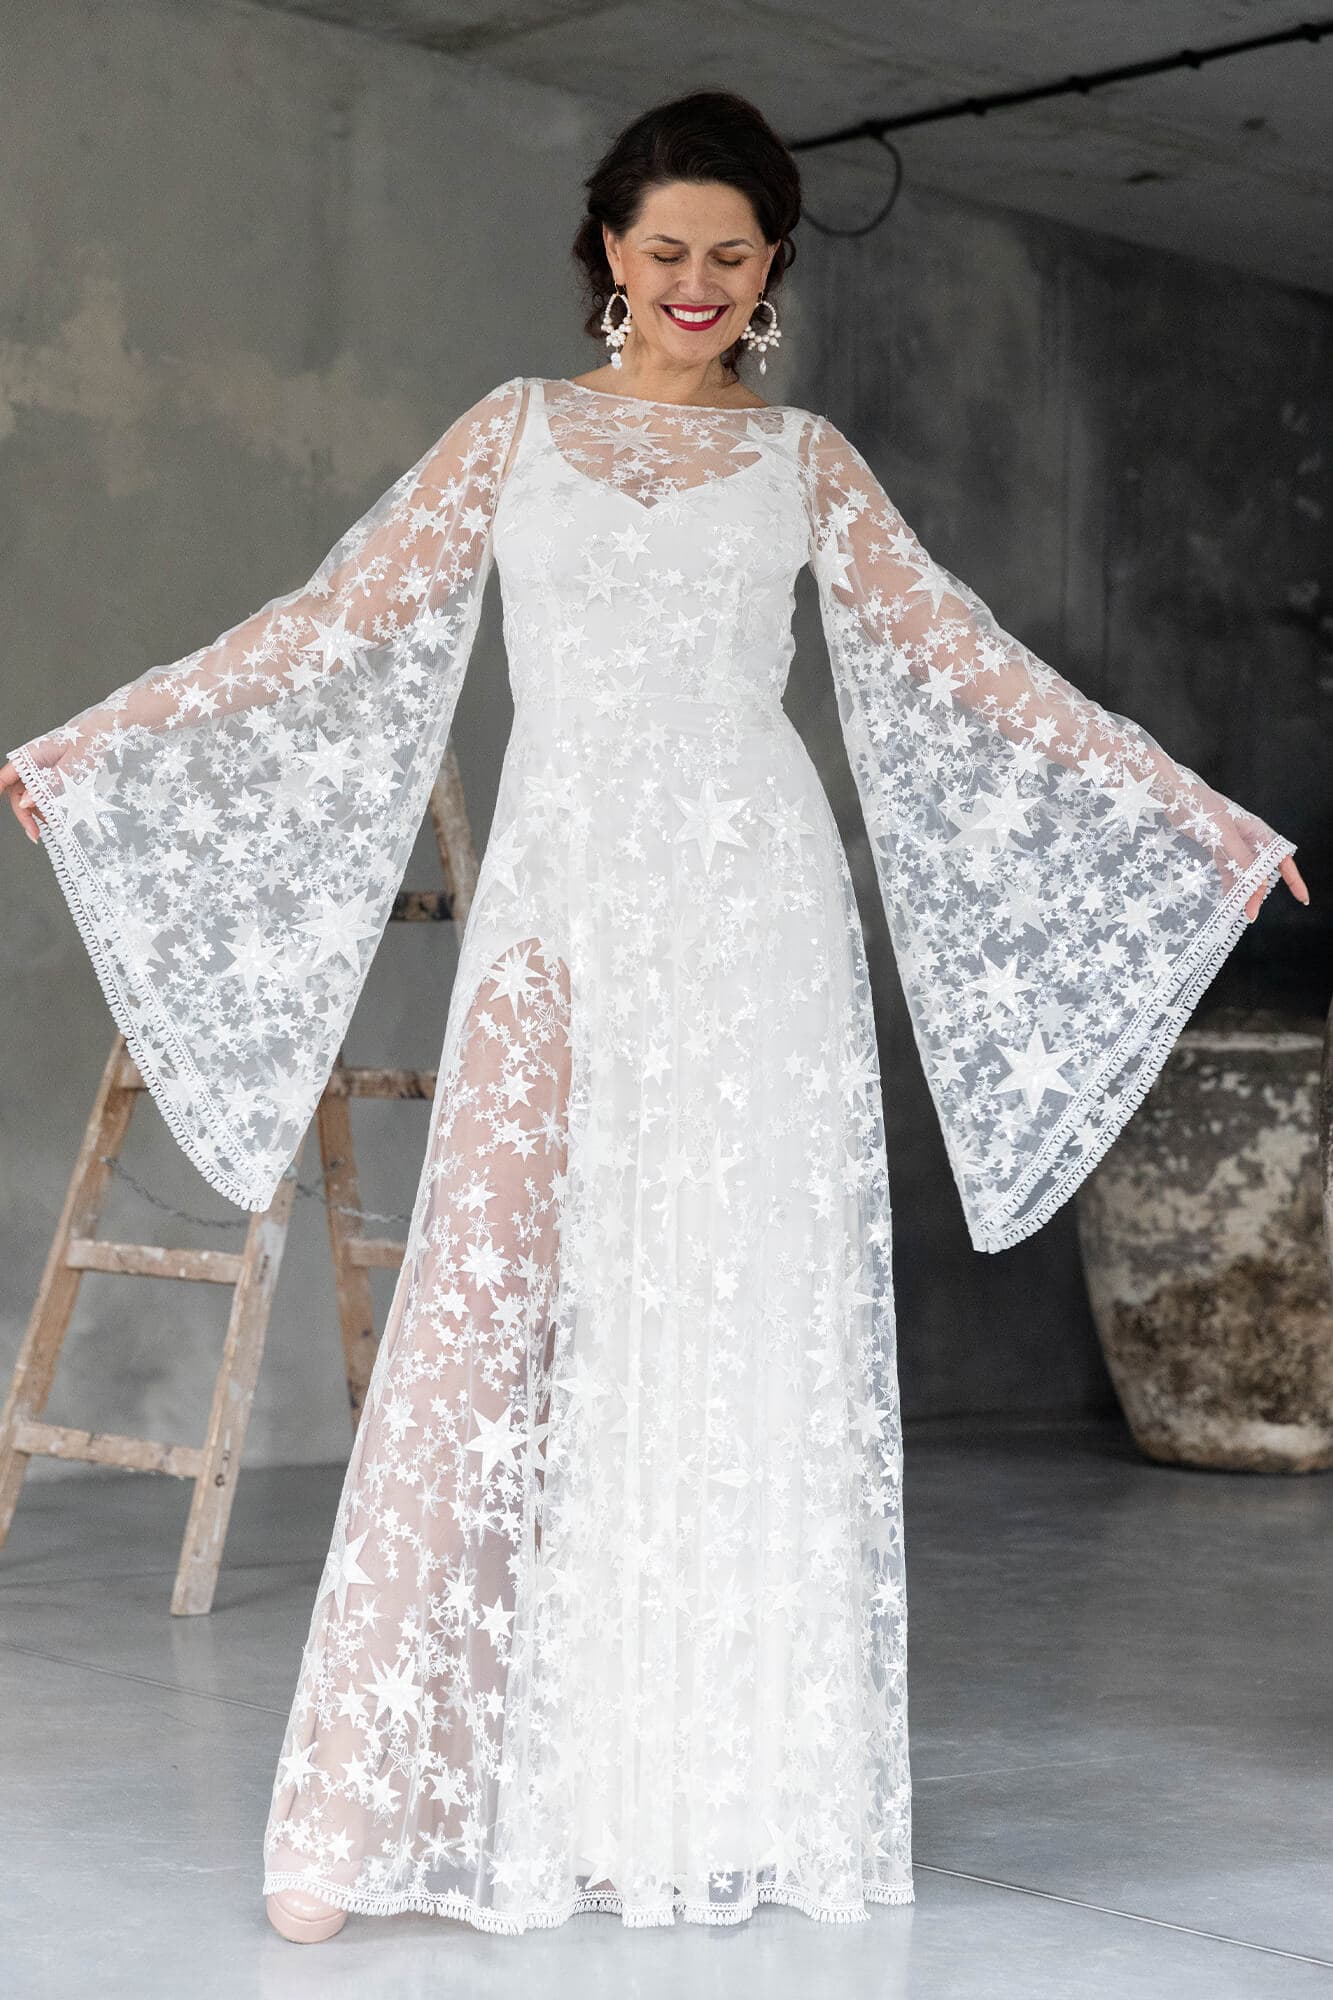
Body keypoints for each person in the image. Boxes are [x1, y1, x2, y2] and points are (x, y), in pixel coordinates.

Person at [2, 90, 1306, 1944]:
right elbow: (329, 620)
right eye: (666, 249)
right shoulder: (512, 434)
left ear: (771, 268)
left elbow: (968, 662)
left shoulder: (804, 463)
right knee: (479, 1329)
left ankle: (679, 1806)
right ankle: (361, 1815)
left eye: (731, 255)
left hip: (755, 931)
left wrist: (1194, 815)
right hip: (560, 919)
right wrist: (102, 741)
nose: (697, 282)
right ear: (610, 250)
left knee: (726, 1334)